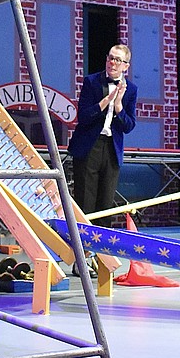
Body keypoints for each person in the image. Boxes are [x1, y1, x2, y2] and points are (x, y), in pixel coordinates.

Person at [67, 44, 137, 273]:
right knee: (85, 205)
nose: (112, 63)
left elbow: (129, 126)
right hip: (89, 148)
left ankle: (102, 259)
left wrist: (118, 107)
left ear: (126, 65)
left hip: (111, 149)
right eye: (110, 58)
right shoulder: (91, 82)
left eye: (118, 60)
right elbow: (83, 117)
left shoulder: (131, 90)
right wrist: (107, 100)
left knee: (105, 206)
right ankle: (81, 259)